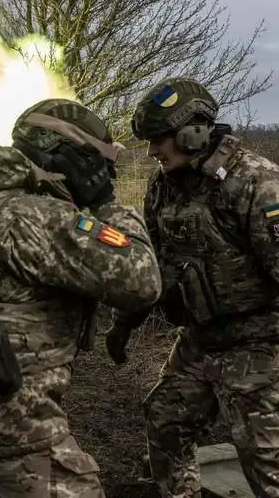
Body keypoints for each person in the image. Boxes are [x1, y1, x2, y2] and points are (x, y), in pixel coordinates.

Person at [0, 98, 163, 498]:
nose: (105, 172)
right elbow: (142, 280)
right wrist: (105, 202)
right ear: (66, 154)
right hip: (15, 426)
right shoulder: (36, 218)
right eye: (98, 162)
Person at [105, 77, 279, 498]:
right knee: (165, 421)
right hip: (199, 341)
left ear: (192, 131)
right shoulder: (163, 186)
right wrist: (125, 323)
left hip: (260, 345)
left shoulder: (256, 182)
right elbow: (154, 265)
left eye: (157, 141)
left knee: (266, 463)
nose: (152, 153)